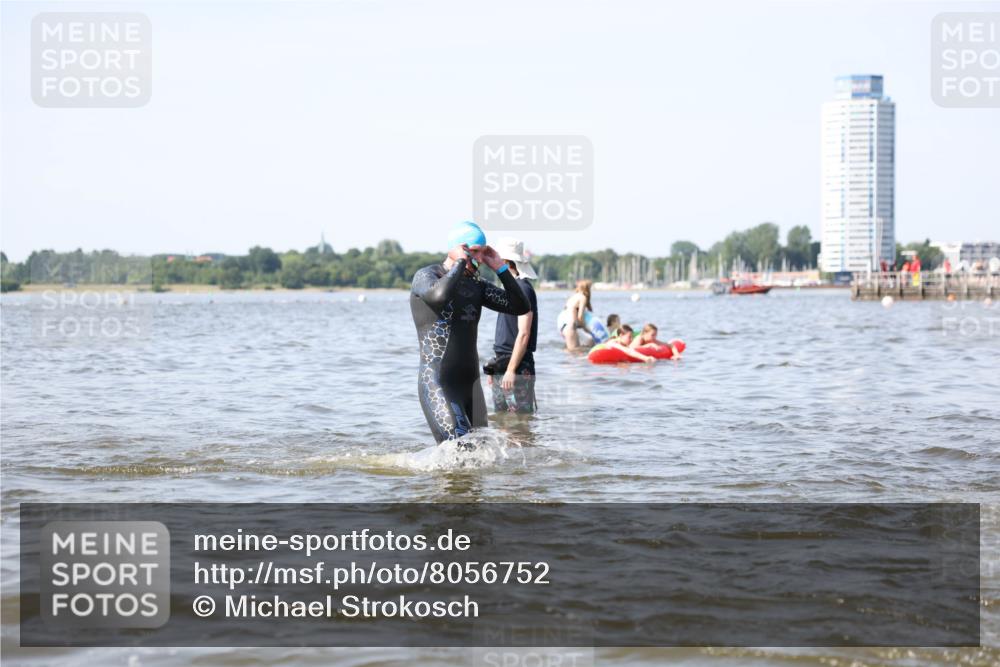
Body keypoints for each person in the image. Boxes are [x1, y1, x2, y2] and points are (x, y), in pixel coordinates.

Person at [410, 222, 530, 444]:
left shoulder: (477, 285)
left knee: (482, 454)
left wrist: (501, 268)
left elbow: (520, 306)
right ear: (458, 249)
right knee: (460, 450)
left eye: (484, 252)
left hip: (470, 386)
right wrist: (460, 262)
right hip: (439, 382)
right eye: (475, 251)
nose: (480, 259)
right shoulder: (426, 276)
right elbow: (439, 297)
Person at [487, 237, 539, 414]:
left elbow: (524, 334)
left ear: (506, 262)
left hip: (517, 365)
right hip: (502, 362)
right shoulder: (510, 288)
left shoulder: (523, 289)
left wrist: (510, 370)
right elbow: (505, 333)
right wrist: (496, 368)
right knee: (501, 419)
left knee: (521, 422)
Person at [558, 279, 594, 350]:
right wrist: (587, 329)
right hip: (570, 327)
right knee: (575, 352)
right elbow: (580, 317)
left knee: (572, 351)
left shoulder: (573, 297)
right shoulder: (583, 298)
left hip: (562, 327)